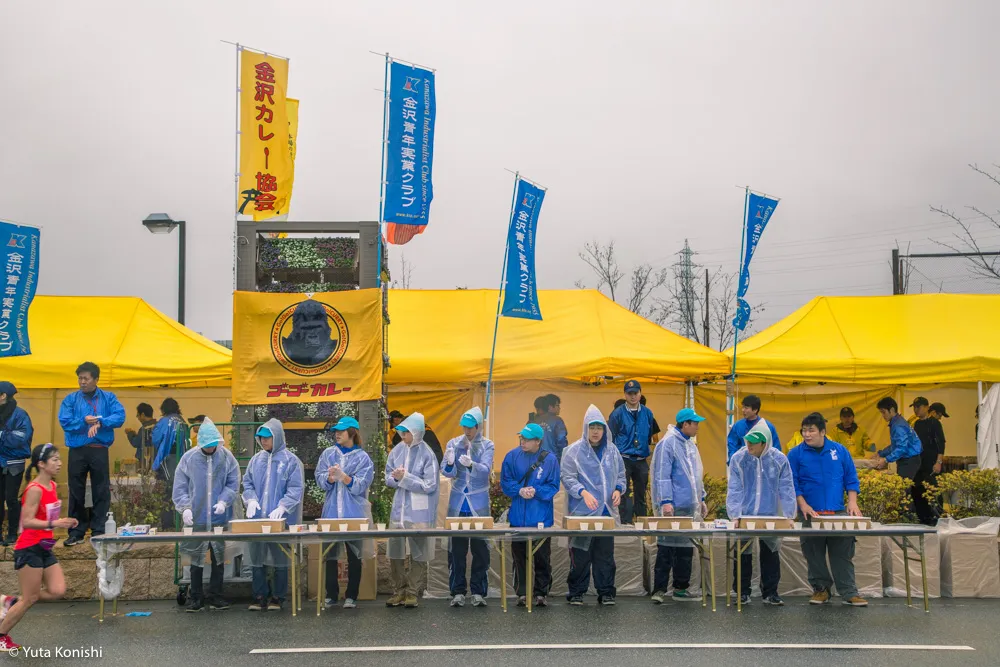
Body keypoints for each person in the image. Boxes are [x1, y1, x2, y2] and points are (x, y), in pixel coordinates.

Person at [0, 444, 78, 652]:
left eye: (59, 459)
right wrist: (56, 524)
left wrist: (63, 521)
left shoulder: (51, 486)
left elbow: (46, 517)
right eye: (54, 460)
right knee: (30, 599)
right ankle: (1, 635)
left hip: (44, 546)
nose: (59, 463)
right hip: (29, 548)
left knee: (58, 590)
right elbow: (27, 521)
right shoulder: (34, 489)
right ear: (41, 464)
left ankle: (10, 601)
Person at [788, 412, 866, 607]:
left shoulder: (839, 451)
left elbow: (851, 478)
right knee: (813, 553)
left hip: (837, 511)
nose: (807, 434)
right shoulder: (796, 454)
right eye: (804, 430)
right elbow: (792, 483)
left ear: (822, 432)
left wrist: (853, 502)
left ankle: (849, 592)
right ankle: (821, 589)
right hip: (810, 512)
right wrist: (802, 504)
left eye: (811, 430)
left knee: (842, 553)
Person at [172, 417, 241, 612]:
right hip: (197, 517)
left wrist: (224, 501)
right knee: (196, 559)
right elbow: (180, 486)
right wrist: (185, 507)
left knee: (219, 559)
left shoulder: (227, 457)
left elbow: (233, 481)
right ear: (202, 444)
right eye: (208, 446)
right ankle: (196, 598)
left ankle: (216, 596)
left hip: (220, 517)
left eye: (214, 446)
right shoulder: (189, 458)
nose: (212, 449)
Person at [561, 404, 626, 606]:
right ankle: (577, 592)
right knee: (580, 555)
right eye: (592, 427)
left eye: (599, 427)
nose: (596, 431)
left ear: (605, 429)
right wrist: (583, 492)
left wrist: (618, 490)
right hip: (582, 512)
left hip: (606, 512)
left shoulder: (612, 451)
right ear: (585, 428)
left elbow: (621, 475)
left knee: (605, 556)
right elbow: (567, 477)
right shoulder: (573, 451)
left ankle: (606, 592)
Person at [57, 362, 126, 547]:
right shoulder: (71, 399)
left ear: (96, 379)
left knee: (101, 490)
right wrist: (84, 421)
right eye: (80, 378)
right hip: (77, 450)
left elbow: (120, 416)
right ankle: (77, 531)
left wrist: (100, 422)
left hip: (99, 450)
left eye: (86, 378)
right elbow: (65, 421)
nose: (82, 382)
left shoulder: (108, 398)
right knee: (76, 490)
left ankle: (99, 530)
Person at [727, 430, 797, 606]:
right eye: (748, 441)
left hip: (770, 514)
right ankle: (742, 592)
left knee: (770, 552)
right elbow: (734, 488)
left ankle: (770, 592)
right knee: (742, 553)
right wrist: (735, 515)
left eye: (754, 443)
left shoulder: (779, 459)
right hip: (745, 514)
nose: (749, 445)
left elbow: (787, 487)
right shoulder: (738, 458)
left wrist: (789, 515)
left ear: (764, 443)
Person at [242, 419, 303, 612]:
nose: (264, 441)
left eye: (268, 437)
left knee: (280, 559)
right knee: (257, 557)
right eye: (261, 438)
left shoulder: (291, 461)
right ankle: (259, 595)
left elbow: (296, 488)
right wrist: (250, 500)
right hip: (258, 519)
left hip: (279, 520)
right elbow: (248, 483)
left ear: (277, 437)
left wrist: (283, 507)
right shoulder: (255, 460)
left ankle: (278, 597)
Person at [650, 408, 708, 604]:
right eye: (695, 423)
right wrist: (666, 501)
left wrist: (701, 498)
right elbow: (662, 475)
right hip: (672, 507)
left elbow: (696, 476)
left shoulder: (690, 445)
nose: (697, 427)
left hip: (689, 507)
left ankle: (680, 589)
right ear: (685, 424)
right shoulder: (667, 444)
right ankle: (659, 590)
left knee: (685, 550)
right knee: (666, 548)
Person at [316, 417, 374, 609]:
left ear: (353, 432)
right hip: (332, 511)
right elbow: (319, 479)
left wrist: (345, 478)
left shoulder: (363, 458)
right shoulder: (328, 454)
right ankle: (331, 594)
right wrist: (331, 478)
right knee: (330, 554)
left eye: (341, 431)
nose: (337, 434)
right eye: (336, 431)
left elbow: (361, 486)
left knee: (354, 555)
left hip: (353, 512)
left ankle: (352, 595)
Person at [501, 422, 560, 608]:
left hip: (541, 518)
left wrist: (536, 490)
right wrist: (519, 490)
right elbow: (505, 482)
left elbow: (553, 486)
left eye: (527, 439)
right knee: (519, 558)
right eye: (521, 438)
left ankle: (541, 592)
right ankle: (522, 592)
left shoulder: (550, 459)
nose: (523, 442)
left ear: (538, 441)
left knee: (542, 557)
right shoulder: (511, 456)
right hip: (518, 518)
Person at [384, 412, 439, 609]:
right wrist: (397, 478)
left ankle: (412, 592)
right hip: (399, 509)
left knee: (419, 552)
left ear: (416, 433)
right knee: (396, 551)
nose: (402, 436)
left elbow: (430, 484)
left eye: (406, 433)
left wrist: (405, 479)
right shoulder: (397, 451)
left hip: (419, 510)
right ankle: (398, 590)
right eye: (401, 432)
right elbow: (388, 477)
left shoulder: (427, 454)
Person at [441, 407, 494, 608]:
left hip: (478, 503)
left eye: (471, 427)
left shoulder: (488, 445)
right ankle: (457, 591)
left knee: (481, 549)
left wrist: (472, 464)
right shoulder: (453, 443)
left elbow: (485, 471)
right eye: (465, 427)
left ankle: (479, 591)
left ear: (479, 426)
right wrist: (450, 462)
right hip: (457, 504)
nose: (467, 431)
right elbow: (447, 472)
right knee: (456, 550)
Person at [607, 380, 656, 524]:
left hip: (641, 458)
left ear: (640, 394)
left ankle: (642, 522)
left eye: (635, 393)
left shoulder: (647, 413)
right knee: (623, 491)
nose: (633, 396)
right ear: (625, 395)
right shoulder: (617, 414)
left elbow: (649, 434)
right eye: (630, 394)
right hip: (623, 458)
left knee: (641, 493)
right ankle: (625, 522)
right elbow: (610, 436)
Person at [0, 382, 32, 546]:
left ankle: (12, 533)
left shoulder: (20, 415)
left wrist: (1, 436)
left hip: (14, 463)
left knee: (11, 499)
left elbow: (20, 438)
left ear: (3, 395)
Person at [151, 399, 186, 529]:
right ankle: (180, 523)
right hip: (181, 459)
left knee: (166, 492)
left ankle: (167, 524)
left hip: (167, 458)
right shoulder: (182, 421)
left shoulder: (165, 421)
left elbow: (156, 438)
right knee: (181, 490)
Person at [874, 397, 923, 489]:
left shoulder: (898, 425)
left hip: (909, 461)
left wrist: (886, 460)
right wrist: (880, 453)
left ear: (892, 410)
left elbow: (901, 448)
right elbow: (895, 445)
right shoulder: (897, 422)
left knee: (902, 491)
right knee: (903, 490)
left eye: (883, 412)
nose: (883, 415)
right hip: (909, 459)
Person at [911, 399, 946, 525]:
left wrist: (939, 462)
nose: (916, 410)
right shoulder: (916, 424)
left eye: (918, 407)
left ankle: (937, 517)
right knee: (917, 491)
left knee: (933, 491)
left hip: (931, 464)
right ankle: (923, 518)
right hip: (919, 464)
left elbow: (940, 443)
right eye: (914, 407)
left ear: (926, 407)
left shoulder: (934, 423)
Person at [726, 394, 781, 464]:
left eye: (746, 408)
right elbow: (732, 445)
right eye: (742, 407)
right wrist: (734, 461)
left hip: (763, 466)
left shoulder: (767, 426)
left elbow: (775, 448)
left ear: (755, 410)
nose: (743, 410)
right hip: (743, 466)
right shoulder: (738, 425)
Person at [534, 394, 569, 462]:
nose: (559, 408)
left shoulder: (533, 421)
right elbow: (561, 440)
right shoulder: (557, 420)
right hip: (553, 459)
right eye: (557, 405)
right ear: (550, 406)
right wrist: (563, 457)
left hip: (536, 460)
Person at [125, 403, 157, 471]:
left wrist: (129, 433)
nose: (138, 418)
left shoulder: (145, 428)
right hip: (155, 459)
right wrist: (136, 435)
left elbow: (136, 443)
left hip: (145, 461)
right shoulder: (157, 426)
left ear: (142, 415)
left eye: (138, 415)